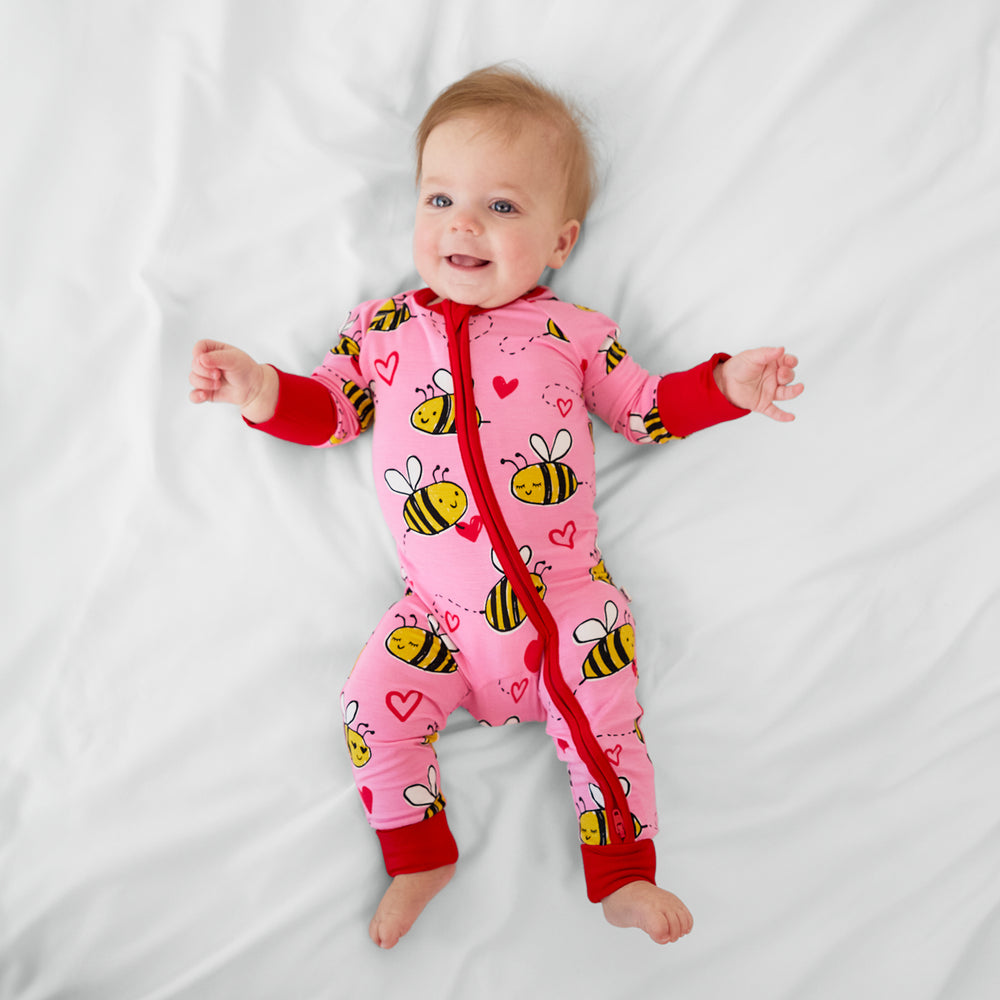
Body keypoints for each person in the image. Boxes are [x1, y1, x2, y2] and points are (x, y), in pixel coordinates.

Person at [189, 65, 803, 949]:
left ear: (561, 239)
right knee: (372, 708)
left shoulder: (572, 334)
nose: (462, 223)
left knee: (605, 731)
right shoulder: (382, 332)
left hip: (563, 603)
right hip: (438, 615)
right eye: (439, 198)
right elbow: (331, 413)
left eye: (501, 208)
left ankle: (624, 876)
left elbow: (647, 409)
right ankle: (418, 852)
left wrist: (726, 386)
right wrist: (257, 389)